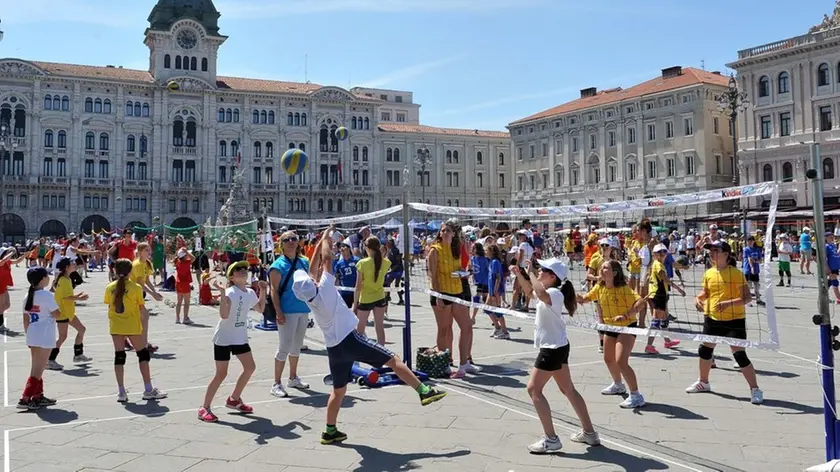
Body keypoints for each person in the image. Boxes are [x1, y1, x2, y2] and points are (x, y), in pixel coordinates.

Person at [294, 227, 447, 445]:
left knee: (338, 391)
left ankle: (329, 431)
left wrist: (320, 242)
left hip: (333, 349)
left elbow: (313, 269)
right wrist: (326, 237)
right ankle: (423, 391)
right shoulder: (326, 287)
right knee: (393, 359)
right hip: (350, 340)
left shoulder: (311, 298)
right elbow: (325, 259)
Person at [510, 258, 599, 453]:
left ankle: (551, 439)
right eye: (540, 270)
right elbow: (530, 292)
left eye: (543, 270)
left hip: (552, 349)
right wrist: (520, 273)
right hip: (558, 346)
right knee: (568, 389)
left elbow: (540, 293)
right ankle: (590, 433)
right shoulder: (548, 290)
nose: (540, 272)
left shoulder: (554, 292)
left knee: (533, 389)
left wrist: (531, 273)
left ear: (552, 277)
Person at [687, 240, 763, 404]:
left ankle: (755, 389)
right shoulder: (709, 273)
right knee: (705, 351)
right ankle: (703, 382)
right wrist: (697, 299)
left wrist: (728, 303)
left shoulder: (735, 273)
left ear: (726, 254)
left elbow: (747, 297)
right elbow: (705, 292)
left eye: (716, 250)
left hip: (734, 319)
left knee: (739, 355)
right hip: (712, 318)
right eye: (710, 251)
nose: (712, 253)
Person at [198, 261, 267, 422]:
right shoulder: (229, 292)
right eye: (238, 270)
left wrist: (263, 290)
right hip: (224, 337)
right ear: (231, 277)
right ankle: (204, 407)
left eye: (244, 269)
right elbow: (223, 315)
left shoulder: (249, 292)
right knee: (221, 374)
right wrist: (222, 294)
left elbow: (260, 309)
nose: (243, 271)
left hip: (239, 337)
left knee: (250, 367)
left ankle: (234, 399)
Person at [577, 260, 647, 408]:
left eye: (605, 268)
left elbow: (640, 303)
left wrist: (626, 315)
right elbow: (585, 298)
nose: (601, 270)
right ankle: (618, 385)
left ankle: (636, 395)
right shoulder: (600, 287)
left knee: (621, 360)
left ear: (614, 273)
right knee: (608, 359)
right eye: (601, 267)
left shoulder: (623, 289)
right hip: (611, 327)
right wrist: (575, 296)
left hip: (627, 327)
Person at [105, 259, 167, 403]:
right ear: (130, 272)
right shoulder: (136, 288)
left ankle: (121, 392)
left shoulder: (110, 287)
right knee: (143, 355)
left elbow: (110, 306)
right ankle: (148, 389)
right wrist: (145, 323)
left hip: (116, 326)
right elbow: (141, 309)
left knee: (119, 357)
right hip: (132, 325)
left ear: (115, 271)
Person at [427, 219, 478, 378]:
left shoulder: (456, 249)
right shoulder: (435, 250)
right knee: (445, 329)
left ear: (454, 233)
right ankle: (445, 363)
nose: (444, 233)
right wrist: (438, 296)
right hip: (441, 293)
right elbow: (432, 275)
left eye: (448, 230)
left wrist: (466, 273)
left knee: (467, 325)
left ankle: (464, 363)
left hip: (457, 290)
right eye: (442, 230)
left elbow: (461, 269)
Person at [268, 230, 311, 397]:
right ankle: (276, 383)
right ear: (282, 244)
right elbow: (274, 290)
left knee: (297, 345)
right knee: (284, 347)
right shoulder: (277, 266)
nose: (292, 242)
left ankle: (293, 377)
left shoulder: (303, 262)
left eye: (294, 239)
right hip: (287, 310)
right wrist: (279, 311)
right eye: (287, 240)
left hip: (302, 308)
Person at [18, 267, 61, 410]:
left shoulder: (27, 296)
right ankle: (25, 398)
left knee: (37, 367)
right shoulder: (46, 296)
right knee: (38, 369)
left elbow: (25, 319)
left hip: (33, 333)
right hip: (45, 335)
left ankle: (38, 396)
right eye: (46, 276)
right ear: (42, 279)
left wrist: (28, 335)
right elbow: (57, 314)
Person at [47, 257, 92, 371]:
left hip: (69, 312)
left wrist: (76, 297)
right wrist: (78, 298)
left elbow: (58, 291)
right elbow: (64, 297)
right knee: (63, 337)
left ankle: (78, 355)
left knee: (82, 329)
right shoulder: (63, 280)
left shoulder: (66, 278)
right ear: (67, 267)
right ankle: (50, 360)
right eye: (72, 263)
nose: (74, 264)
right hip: (62, 313)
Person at [644, 244, 684, 354]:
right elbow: (665, 280)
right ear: (655, 254)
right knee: (656, 321)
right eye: (660, 252)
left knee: (664, 319)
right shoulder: (659, 265)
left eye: (664, 252)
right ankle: (649, 345)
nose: (663, 254)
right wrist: (679, 290)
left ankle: (667, 341)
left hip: (660, 294)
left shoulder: (656, 264)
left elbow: (649, 277)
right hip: (658, 295)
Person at [353, 236, 390, 345]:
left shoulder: (362, 263)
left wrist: (355, 305)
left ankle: (358, 355)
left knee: (360, 329)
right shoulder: (386, 262)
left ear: (367, 248)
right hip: (379, 296)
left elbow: (358, 286)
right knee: (379, 327)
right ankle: (382, 353)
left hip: (366, 298)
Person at [130, 242, 163, 352]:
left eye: (149, 250)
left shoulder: (146, 263)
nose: (149, 252)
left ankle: (143, 343)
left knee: (142, 319)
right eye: (146, 250)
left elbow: (147, 281)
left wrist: (155, 291)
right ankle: (141, 345)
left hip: (138, 294)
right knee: (142, 318)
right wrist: (153, 295)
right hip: (132, 294)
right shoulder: (137, 264)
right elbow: (140, 283)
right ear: (140, 252)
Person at [0, 248, 26, 334]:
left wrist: (25, 255)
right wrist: (11, 252)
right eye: (7, 252)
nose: (9, 254)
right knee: (1, 307)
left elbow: (17, 261)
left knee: (7, 305)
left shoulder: (8, 261)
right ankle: (1, 325)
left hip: (4, 286)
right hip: (0, 286)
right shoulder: (1, 261)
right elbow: (3, 260)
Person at [174, 248, 195, 324]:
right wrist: (186, 252)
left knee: (179, 302)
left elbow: (177, 257)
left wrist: (184, 253)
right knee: (186, 302)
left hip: (178, 282)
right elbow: (193, 258)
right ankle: (185, 318)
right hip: (185, 283)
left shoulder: (177, 261)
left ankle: (177, 318)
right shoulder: (186, 262)